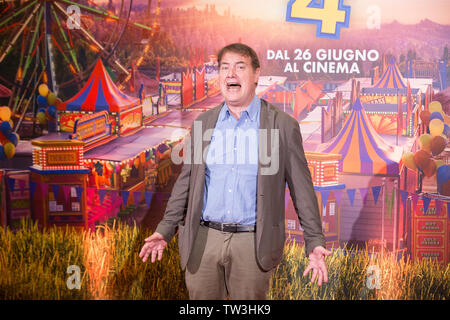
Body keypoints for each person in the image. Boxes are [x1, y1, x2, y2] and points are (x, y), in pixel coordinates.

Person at [139, 43, 331, 300]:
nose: (231, 74)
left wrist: (314, 241)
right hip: (203, 240)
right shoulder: (204, 123)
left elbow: (302, 190)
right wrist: (164, 230)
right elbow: (186, 185)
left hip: (252, 243)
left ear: (256, 74)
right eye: (224, 68)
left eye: (240, 67)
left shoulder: (282, 126)